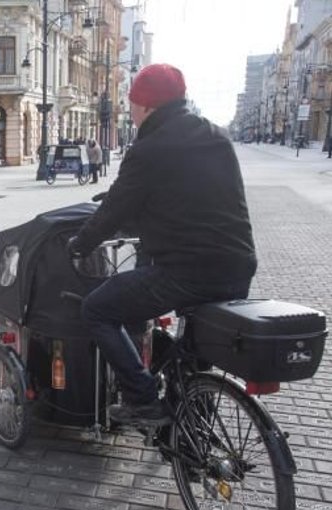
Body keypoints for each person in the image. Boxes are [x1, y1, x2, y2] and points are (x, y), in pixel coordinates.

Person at [67, 63, 257, 427]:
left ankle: (142, 400)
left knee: (98, 309)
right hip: (238, 266)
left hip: (187, 272)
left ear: (147, 106)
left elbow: (112, 212)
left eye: (133, 103)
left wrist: (80, 244)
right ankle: (192, 423)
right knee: (194, 355)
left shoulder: (149, 148)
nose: (132, 112)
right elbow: (189, 193)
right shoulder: (216, 136)